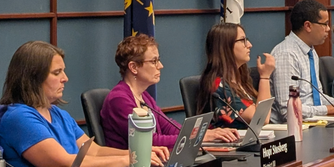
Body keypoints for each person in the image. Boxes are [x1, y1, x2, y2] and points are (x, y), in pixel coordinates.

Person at [0, 41, 167, 167]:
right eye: (57, 73)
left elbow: (95, 152)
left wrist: (139, 152)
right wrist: (128, 160)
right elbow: (65, 165)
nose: (65, 78)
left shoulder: (57, 113)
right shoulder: (19, 118)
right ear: (33, 78)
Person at [101, 33, 239, 148]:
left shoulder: (143, 96)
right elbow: (148, 141)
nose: (160, 66)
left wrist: (204, 133)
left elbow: (169, 127)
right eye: (154, 61)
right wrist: (198, 137)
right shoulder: (119, 99)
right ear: (133, 67)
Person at [195, 23, 275, 131]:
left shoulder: (239, 78)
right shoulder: (218, 85)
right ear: (225, 46)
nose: (249, 44)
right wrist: (265, 77)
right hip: (228, 145)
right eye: (243, 40)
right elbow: (260, 119)